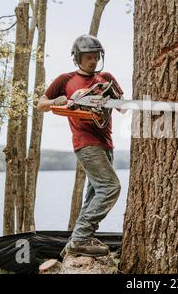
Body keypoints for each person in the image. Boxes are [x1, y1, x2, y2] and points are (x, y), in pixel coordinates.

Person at [37, 34, 123, 257]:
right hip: (86, 144)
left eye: (96, 56)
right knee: (111, 187)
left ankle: (70, 252)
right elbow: (40, 104)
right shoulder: (65, 80)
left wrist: (112, 99)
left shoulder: (106, 78)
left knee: (93, 196)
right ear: (77, 58)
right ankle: (81, 238)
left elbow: (122, 105)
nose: (93, 61)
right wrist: (57, 101)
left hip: (106, 143)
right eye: (88, 57)